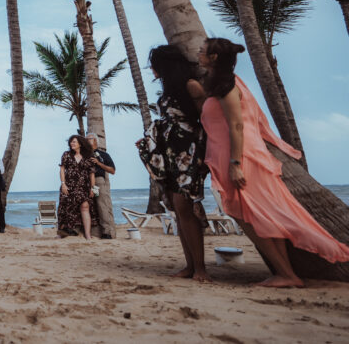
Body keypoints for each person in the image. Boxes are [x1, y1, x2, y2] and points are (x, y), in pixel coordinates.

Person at [198, 38, 349, 287]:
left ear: (214, 58)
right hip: (236, 156)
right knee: (263, 217)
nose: (198, 53)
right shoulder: (222, 84)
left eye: (202, 51)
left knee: (252, 218)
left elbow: (237, 125)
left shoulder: (227, 85)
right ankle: (286, 273)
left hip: (240, 157)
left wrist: (235, 163)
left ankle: (286, 273)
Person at [137, 44, 210, 281]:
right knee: (178, 211)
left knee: (185, 207)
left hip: (187, 153)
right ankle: (189, 266)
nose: (152, 70)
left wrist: (205, 157)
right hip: (170, 153)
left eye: (154, 66)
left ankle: (200, 268)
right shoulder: (169, 91)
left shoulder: (191, 86)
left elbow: (208, 123)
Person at [57, 134, 98, 239]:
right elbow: (62, 169)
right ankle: (62, 233)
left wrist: (93, 188)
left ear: (80, 143)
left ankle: (88, 235)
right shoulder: (66, 154)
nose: (72, 143)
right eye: (71, 142)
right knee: (66, 209)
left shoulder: (89, 156)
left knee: (85, 207)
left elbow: (91, 174)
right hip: (68, 186)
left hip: (84, 187)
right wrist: (63, 184)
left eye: (74, 142)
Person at [86, 132, 116, 239]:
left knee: (101, 205)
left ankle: (106, 232)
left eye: (89, 138)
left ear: (95, 141)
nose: (87, 140)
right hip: (85, 182)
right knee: (87, 206)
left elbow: (112, 170)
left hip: (98, 182)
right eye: (86, 139)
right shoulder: (83, 154)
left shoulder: (103, 155)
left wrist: (98, 163)